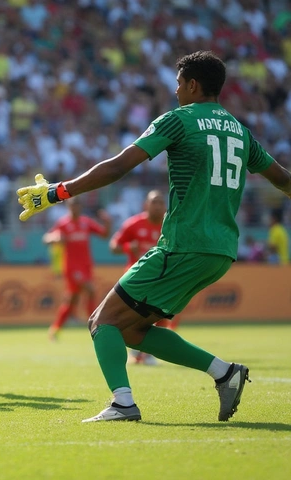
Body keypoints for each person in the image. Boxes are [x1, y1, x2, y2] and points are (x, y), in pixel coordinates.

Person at [16, 51, 291, 422]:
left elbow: (118, 166)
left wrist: (57, 192)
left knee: (103, 321)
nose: (176, 90)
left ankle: (123, 404)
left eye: (179, 83)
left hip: (183, 244)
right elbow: (282, 179)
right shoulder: (241, 132)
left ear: (193, 84)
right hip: (222, 250)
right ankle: (224, 372)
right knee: (132, 329)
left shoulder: (179, 120)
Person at [109, 190, 180, 366]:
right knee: (135, 316)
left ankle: (148, 352)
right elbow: (113, 246)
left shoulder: (170, 225)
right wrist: (128, 247)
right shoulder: (133, 224)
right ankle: (138, 351)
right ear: (146, 205)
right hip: (137, 279)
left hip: (162, 278)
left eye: (161, 202)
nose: (158, 206)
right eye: (154, 202)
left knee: (164, 315)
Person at [43, 197, 111, 341]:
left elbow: (105, 235)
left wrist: (107, 222)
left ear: (81, 207)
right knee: (91, 290)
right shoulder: (63, 224)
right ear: (69, 207)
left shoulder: (86, 222)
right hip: (72, 267)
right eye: (72, 205)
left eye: (78, 205)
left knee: (71, 301)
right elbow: (46, 238)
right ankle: (95, 325)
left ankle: (54, 329)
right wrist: (54, 238)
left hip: (86, 266)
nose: (75, 208)